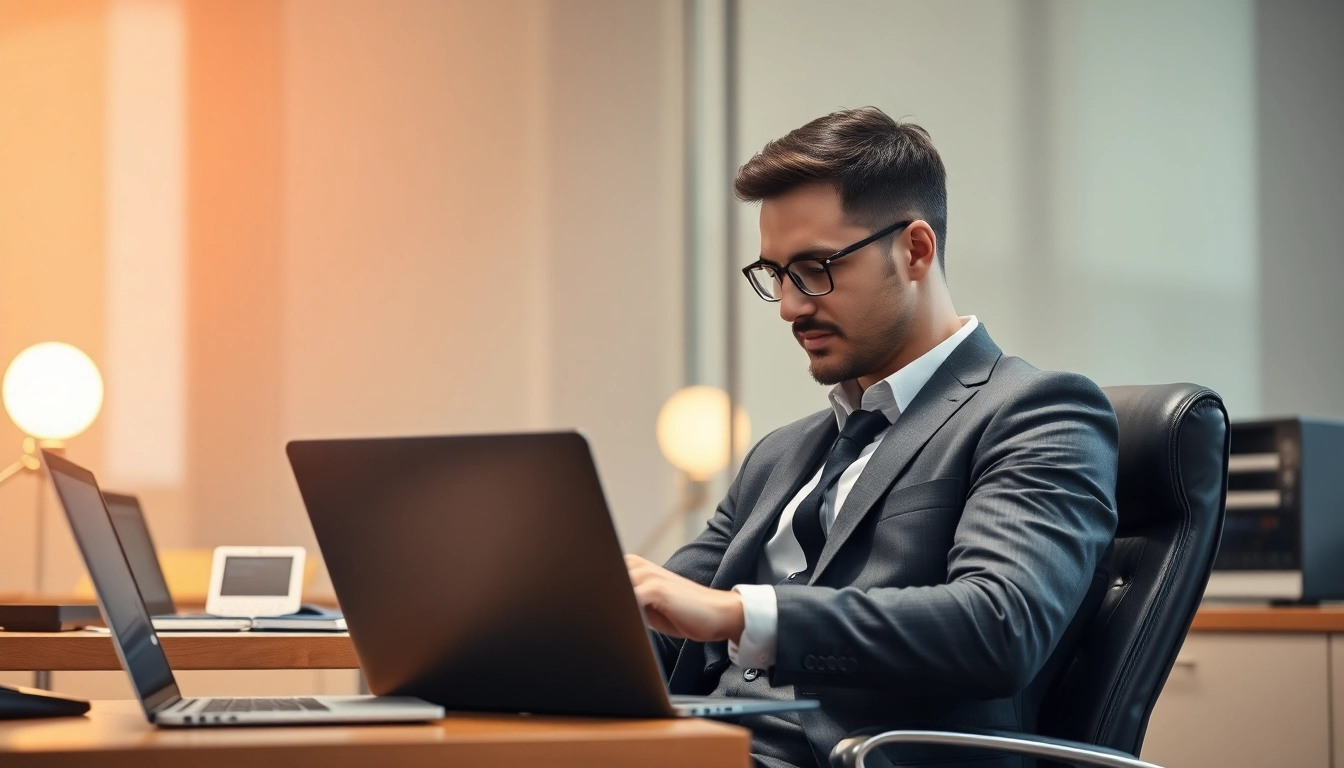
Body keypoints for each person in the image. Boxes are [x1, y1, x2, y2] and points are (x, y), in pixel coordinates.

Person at [626, 107, 1119, 768]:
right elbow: (664, 626)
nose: (793, 306)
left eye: (815, 268)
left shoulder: (1037, 413)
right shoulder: (780, 454)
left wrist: (743, 616)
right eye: (777, 275)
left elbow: (999, 626)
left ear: (915, 249)